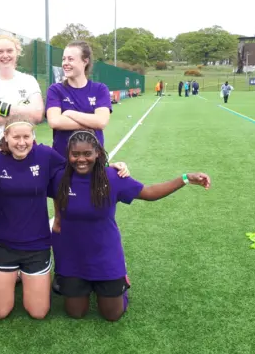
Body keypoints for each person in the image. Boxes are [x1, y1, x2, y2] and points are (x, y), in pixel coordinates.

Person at [50, 130, 211, 321]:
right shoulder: (60, 177)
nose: (81, 159)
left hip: (104, 254)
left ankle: (119, 277)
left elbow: (149, 192)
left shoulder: (113, 177)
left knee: (112, 315)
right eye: (75, 154)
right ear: (68, 155)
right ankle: (83, 284)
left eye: (87, 154)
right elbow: (49, 193)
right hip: (72, 254)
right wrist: (58, 217)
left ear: (98, 154)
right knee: (76, 313)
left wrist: (185, 178)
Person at [0, 114, 130, 320]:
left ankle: (116, 282)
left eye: (27, 136)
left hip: (37, 244)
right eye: (16, 137)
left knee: (38, 312)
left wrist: (111, 168)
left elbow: (79, 166)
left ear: (33, 136)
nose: (22, 142)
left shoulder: (45, 155)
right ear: (5, 136)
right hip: (2, 244)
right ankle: (12, 276)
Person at [0, 34, 44, 157]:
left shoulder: (29, 80)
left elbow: (37, 115)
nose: (5, 55)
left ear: (17, 52)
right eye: (0, 51)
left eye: (9, 50)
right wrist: (22, 114)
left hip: (25, 145)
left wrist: (0, 110)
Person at [45, 40, 112, 159]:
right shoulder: (55, 90)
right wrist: (91, 123)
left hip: (93, 162)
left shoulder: (100, 89)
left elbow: (101, 122)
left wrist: (69, 113)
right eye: (63, 59)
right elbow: (54, 122)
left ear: (85, 61)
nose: (65, 63)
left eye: (70, 59)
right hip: (62, 161)